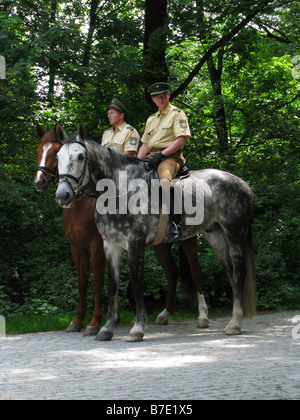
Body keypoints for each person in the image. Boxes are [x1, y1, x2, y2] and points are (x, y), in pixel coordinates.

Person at [138, 82, 191, 238]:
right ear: (152, 99)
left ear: (168, 95)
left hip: (171, 156)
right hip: (150, 157)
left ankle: (174, 223)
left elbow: (181, 140)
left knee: (164, 181)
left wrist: (162, 155)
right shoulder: (151, 119)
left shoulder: (177, 113)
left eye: (163, 96)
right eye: (156, 97)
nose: (160, 99)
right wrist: (136, 161)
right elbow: (145, 145)